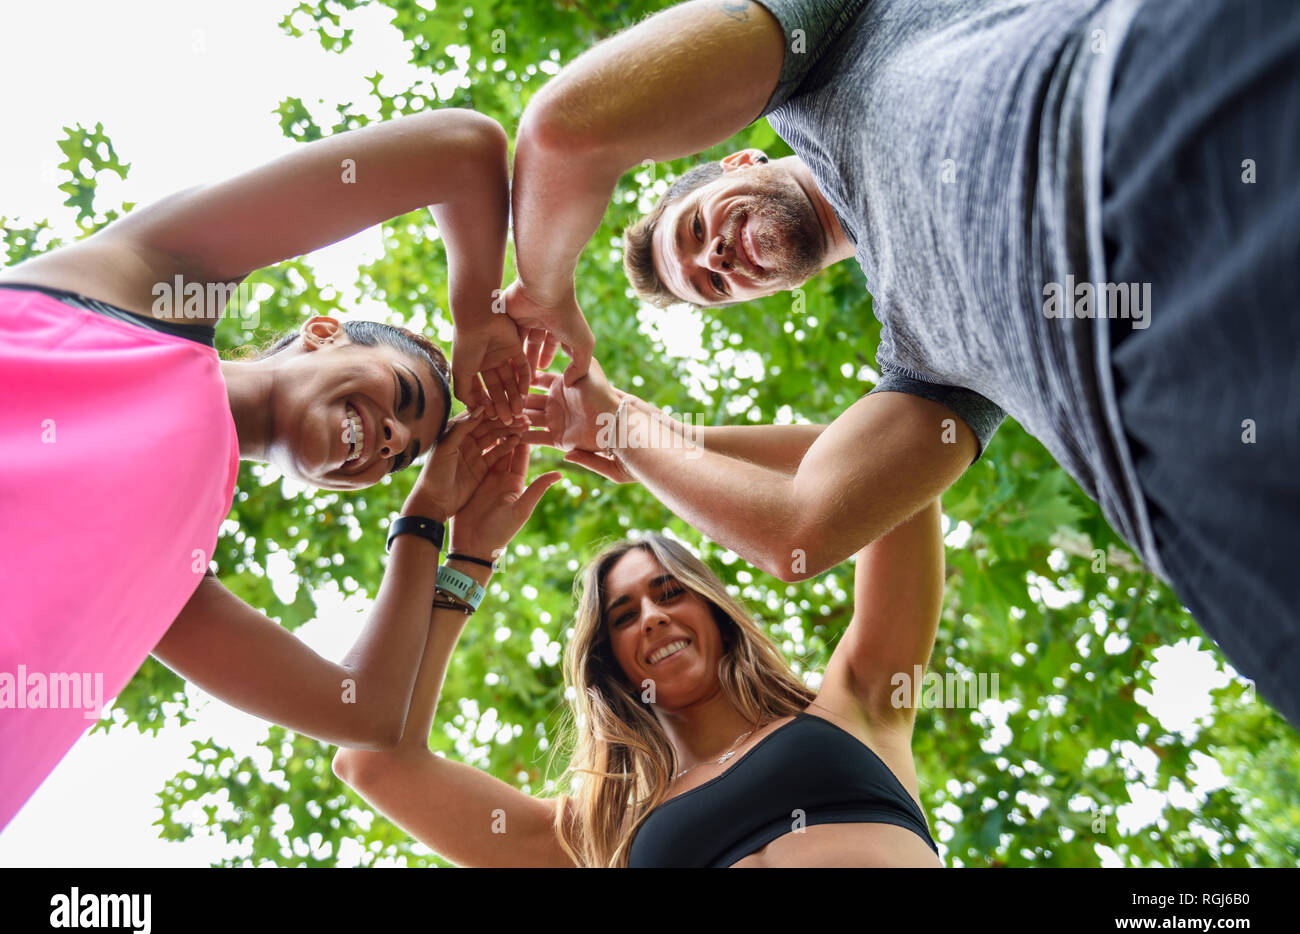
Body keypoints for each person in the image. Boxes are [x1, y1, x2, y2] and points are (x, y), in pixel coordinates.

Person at [495, 0, 1300, 726]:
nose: (718, 255)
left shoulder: (826, 47)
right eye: (711, 282)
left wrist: (542, 292)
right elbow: (799, 532)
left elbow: (570, 128)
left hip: (1171, 112)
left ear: (739, 164)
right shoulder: (920, 361)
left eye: (696, 228)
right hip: (1200, 476)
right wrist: (626, 428)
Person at [0, 108, 551, 832]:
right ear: (324, 333)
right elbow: (464, 151)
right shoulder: (149, 284)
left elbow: (367, 710)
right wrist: (477, 315)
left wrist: (432, 521)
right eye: (403, 398)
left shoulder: (172, 569)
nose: (388, 440)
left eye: (401, 457)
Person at [334, 433, 947, 867]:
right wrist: (464, 559)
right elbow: (374, 763)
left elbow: (885, 462)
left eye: (669, 593)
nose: (652, 617)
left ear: (716, 612)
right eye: (624, 616)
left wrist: (655, 447)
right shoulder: (594, 832)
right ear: (608, 665)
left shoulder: (857, 704)